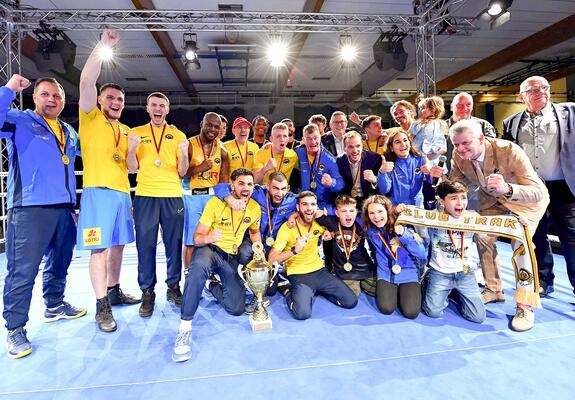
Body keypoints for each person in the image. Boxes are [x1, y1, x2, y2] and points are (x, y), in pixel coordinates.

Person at [431, 119, 549, 331]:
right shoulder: (459, 156)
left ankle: (525, 305)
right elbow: (458, 187)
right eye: (456, 145)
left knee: (520, 245)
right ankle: (494, 289)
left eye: (465, 143)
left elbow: (537, 191)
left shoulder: (509, 150)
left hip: (526, 203)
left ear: (481, 138)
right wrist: (441, 179)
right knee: (483, 237)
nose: (460, 149)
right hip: (492, 201)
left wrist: (508, 189)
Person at [1, 74, 86, 359]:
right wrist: (10, 89)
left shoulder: (68, 131)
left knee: (60, 261)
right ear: (35, 97)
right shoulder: (20, 121)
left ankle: (54, 304)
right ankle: (15, 328)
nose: (52, 99)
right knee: (23, 271)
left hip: (63, 208)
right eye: (46, 94)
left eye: (58, 96)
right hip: (29, 209)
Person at [78, 28, 140, 333]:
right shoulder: (90, 117)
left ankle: (114, 291)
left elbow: (131, 168)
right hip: (97, 192)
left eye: (120, 99)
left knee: (118, 246)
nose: (115, 102)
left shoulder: (126, 130)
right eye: (111, 97)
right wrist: (102, 46)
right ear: (100, 99)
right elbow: (87, 80)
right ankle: (101, 305)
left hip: (120, 193)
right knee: (99, 249)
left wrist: (131, 151)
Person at [172, 168, 262, 362]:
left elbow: (254, 232)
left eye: (249, 184)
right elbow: (196, 238)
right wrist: (209, 237)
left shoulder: (254, 208)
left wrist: (258, 246)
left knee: (236, 309)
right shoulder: (215, 203)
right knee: (196, 271)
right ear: (232, 186)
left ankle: (212, 286)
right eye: (241, 183)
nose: (245, 188)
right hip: (210, 250)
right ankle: (184, 328)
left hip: (230, 257)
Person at [503, 76, 575, 298]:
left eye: (544, 88)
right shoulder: (511, 122)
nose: (541, 92)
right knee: (537, 237)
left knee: (571, 237)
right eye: (533, 90)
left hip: (564, 186)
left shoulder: (570, 112)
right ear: (521, 96)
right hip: (530, 189)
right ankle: (544, 280)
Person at [126, 92, 189, 316]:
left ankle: (173, 287)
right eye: (154, 105)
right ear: (148, 108)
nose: (158, 108)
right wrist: (132, 148)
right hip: (145, 196)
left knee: (174, 244)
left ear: (167, 109)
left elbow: (183, 172)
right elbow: (132, 168)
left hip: (172, 195)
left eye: (162, 105)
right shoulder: (136, 133)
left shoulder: (178, 134)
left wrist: (184, 155)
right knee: (145, 245)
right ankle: (147, 291)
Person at [268, 192, 358, 320]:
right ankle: (286, 289)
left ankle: (316, 290)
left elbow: (340, 214)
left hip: (320, 271)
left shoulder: (320, 222)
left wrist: (329, 233)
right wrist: (294, 250)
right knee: (302, 314)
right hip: (298, 274)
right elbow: (272, 259)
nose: (309, 208)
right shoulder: (287, 227)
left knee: (350, 302)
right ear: (298, 207)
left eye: (313, 204)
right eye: (305, 204)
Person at [422, 181, 486, 323]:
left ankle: (455, 292)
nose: (460, 203)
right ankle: (429, 281)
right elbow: (414, 223)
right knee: (433, 312)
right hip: (440, 272)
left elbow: (490, 235)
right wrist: (400, 211)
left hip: (465, 272)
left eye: (463, 197)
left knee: (478, 317)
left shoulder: (473, 218)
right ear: (442, 201)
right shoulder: (432, 217)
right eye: (454, 198)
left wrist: (518, 224)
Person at [362, 195, 426, 319]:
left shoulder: (405, 225)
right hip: (386, 273)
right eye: (372, 213)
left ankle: (421, 282)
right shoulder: (370, 230)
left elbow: (421, 253)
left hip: (408, 271)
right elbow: (372, 249)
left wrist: (404, 235)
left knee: (411, 313)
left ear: (388, 211)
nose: (376, 216)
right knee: (387, 308)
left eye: (380, 211)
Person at [182, 112, 230, 270]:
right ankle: (189, 275)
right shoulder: (188, 145)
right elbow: (180, 173)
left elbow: (223, 181)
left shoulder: (223, 151)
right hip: (191, 196)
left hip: (212, 197)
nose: (213, 129)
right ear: (201, 124)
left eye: (217, 127)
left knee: (212, 238)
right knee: (190, 240)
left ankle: (210, 274)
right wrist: (199, 168)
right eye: (209, 124)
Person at [317, 195, 376, 297]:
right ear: (337, 213)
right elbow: (310, 215)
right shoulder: (331, 221)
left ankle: (362, 282)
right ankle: (357, 284)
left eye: (351, 211)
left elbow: (377, 215)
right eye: (344, 211)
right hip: (344, 270)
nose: (348, 214)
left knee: (378, 291)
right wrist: (323, 230)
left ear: (356, 212)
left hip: (365, 266)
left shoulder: (361, 222)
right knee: (352, 295)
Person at [296, 123, 343, 214]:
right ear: (303, 140)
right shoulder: (298, 153)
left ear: (320, 137)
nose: (313, 142)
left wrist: (331, 182)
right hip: (302, 202)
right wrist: (270, 145)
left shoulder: (329, 159)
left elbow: (340, 184)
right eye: (309, 139)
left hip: (321, 204)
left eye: (315, 138)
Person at [378, 128, 430, 207]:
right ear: (391, 148)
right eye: (397, 142)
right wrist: (382, 173)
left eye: (405, 140)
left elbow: (433, 183)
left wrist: (430, 172)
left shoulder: (420, 159)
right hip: (396, 209)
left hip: (417, 208)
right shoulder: (388, 164)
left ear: (410, 143)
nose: (403, 144)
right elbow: (384, 190)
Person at [446, 92, 497, 166]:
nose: (465, 108)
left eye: (468, 105)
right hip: (447, 173)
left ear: (472, 107)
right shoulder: (440, 127)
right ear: (451, 107)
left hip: (478, 173)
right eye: (460, 105)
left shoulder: (484, 125)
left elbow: (491, 150)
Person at [336, 131, 381, 210]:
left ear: (362, 146)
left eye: (358, 146)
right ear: (344, 148)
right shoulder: (338, 161)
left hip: (369, 201)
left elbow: (384, 189)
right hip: (348, 203)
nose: (355, 150)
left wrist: (375, 181)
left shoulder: (375, 159)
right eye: (350, 147)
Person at [410, 96, 448, 164]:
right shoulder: (418, 123)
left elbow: (443, 145)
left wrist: (436, 154)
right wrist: (417, 154)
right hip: (418, 158)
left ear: (433, 109)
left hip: (435, 160)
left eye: (423, 108)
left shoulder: (441, 124)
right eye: (420, 108)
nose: (420, 110)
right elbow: (409, 139)